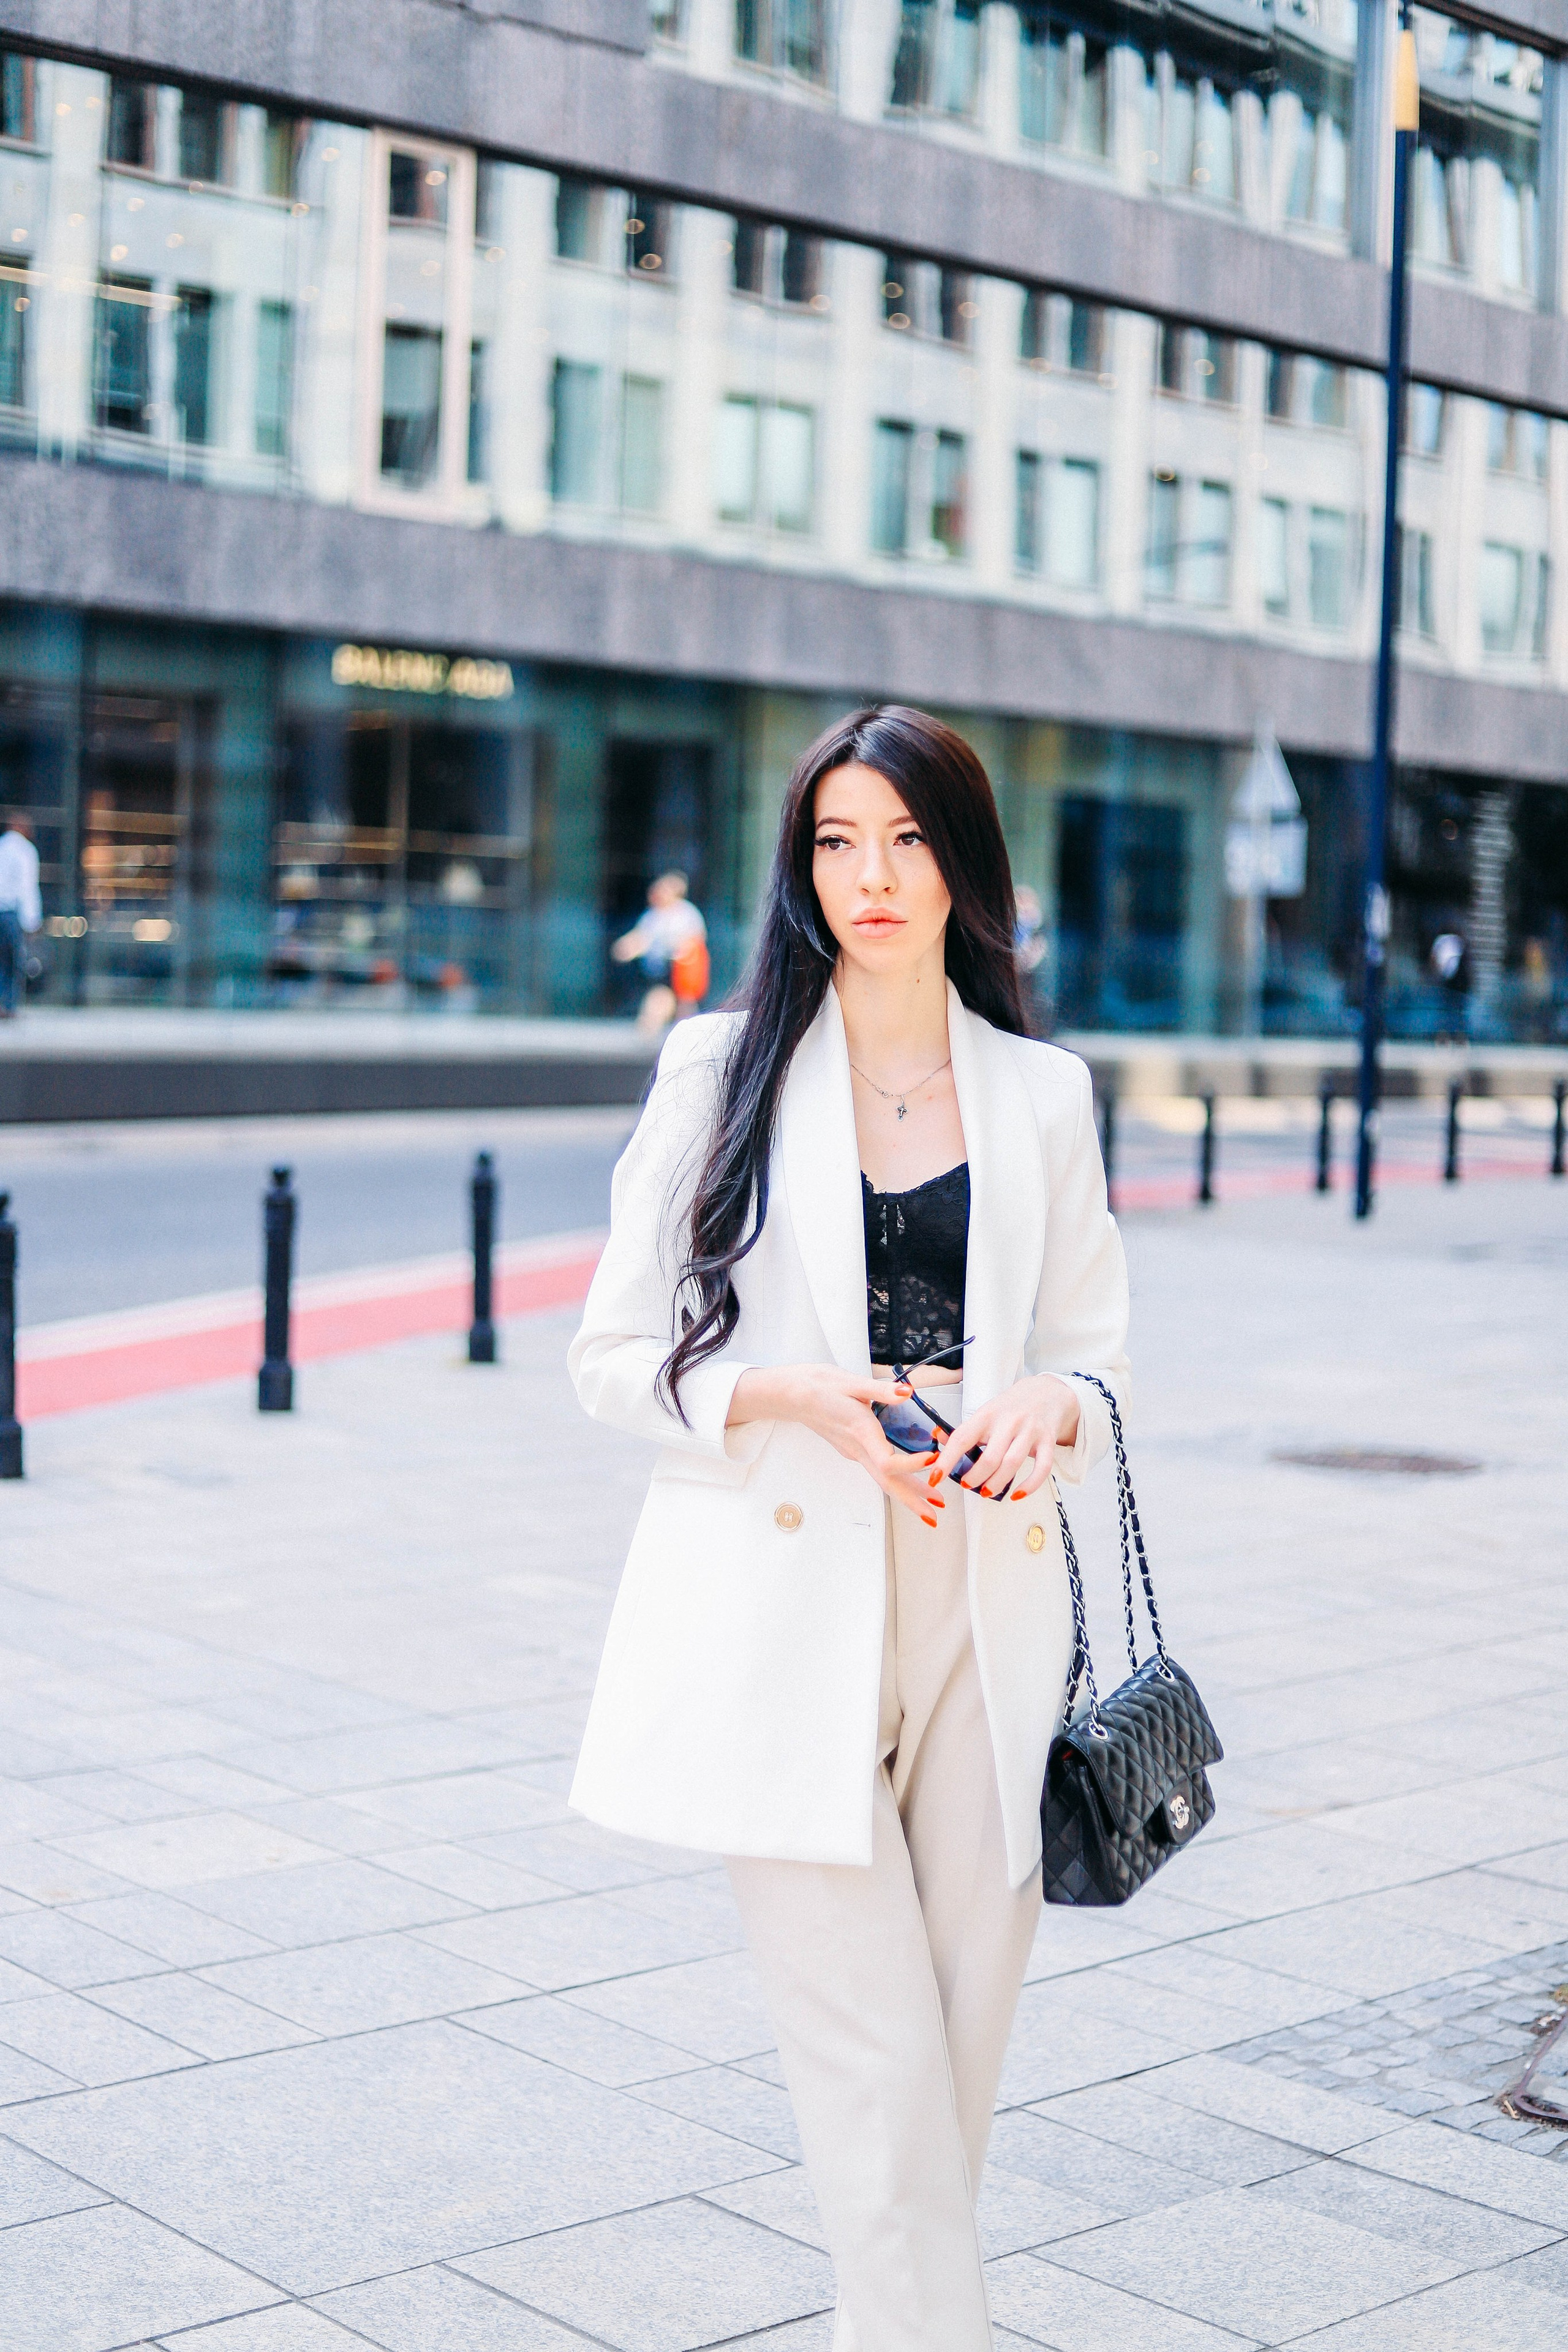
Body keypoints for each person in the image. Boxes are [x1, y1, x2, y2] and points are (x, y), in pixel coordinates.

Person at [568, 706, 1127, 2349]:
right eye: (835, 841)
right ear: (801, 867)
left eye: (903, 839)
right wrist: (790, 1394)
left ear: (964, 864)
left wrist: (1055, 1408)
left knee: (947, 2064)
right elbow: (609, 1361)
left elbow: (1097, 1355)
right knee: (872, 2067)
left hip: (986, 1603)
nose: (870, 877)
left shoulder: (1042, 1093)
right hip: (781, 1610)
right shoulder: (718, 1067)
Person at [611, 870, 707, 1034]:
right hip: (658, 972)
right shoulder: (652, 916)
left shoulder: (686, 914)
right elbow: (641, 938)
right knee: (660, 1001)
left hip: (680, 972)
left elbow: (693, 941)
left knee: (683, 1008)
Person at [0, 812, 42, 1018]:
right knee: (13, 961)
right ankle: (8, 1005)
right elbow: (28, 888)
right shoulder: (26, 851)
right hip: (11, 914)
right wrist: (32, 922)